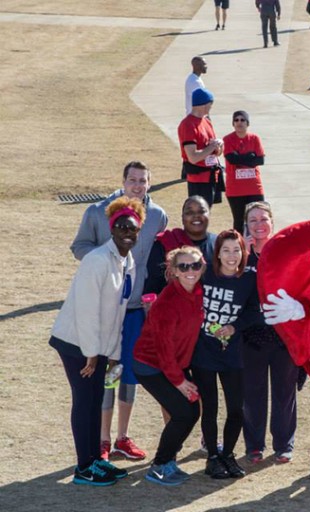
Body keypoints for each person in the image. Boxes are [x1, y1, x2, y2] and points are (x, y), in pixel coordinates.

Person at [70, 161, 167, 462]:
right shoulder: (98, 212)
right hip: (108, 309)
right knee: (107, 374)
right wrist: (105, 260)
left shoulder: (158, 216)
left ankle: (123, 437)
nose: (137, 186)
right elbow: (79, 247)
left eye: (143, 181)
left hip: (137, 309)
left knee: (128, 373)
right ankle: (103, 439)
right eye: (132, 180)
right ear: (123, 182)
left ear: (150, 183)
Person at [52, 197, 145, 486]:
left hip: (99, 346)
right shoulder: (96, 260)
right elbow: (87, 311)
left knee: (94, 401)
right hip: (77, 342)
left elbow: (117, 311)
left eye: (132, 228)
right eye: (121, 226)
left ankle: (96, 462)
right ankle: (84, 468)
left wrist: (114, 353)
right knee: (85, 401)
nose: (127, 232)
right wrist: (92, 354)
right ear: (111, 229)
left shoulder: (126, 260)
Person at [133, 246, 206, 485]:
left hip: (175, 363)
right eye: (183, 266)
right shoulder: (168, 302)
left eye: (195, 265)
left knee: (191, 412)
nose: (190, 271)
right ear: (174, 271)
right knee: (183, 413)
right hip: (150, 365)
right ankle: (159, 466)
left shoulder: (197, 292)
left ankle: (167, 461)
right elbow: (163, 351)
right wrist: (180, 381)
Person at [192, 230, 260, 479]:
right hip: (203, 351)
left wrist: (234, 326)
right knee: (209, 407)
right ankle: (212, 456)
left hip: (232, 353)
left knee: (236, 409)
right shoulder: (205, 272)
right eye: (226, 250)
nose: (232, 256)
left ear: (244, 252)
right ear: (217, 253)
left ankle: (228, 454)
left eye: (237, 250)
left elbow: (255, 311)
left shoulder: (249, 278)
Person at [241, 201, 301, 464]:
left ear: (272, 223)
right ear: (246, 225)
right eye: (252, 220)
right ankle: (254, 445)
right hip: (250, 337)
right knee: (252, 393)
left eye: (263, 219)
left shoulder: (285, 253)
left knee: (285, 392)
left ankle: (284, 443)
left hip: (283, 336)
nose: (258, 225)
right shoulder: (239, 255)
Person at [145, 196, 217, 296]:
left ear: (209, 215)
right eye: (189, 212)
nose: (196, 216)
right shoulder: (165, 244)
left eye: (201, 211)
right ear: (182, 218)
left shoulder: (219, 245)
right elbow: (152, 285)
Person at [178, 88, 223, 208]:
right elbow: (193, 157)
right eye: (210, 104)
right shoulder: (188, 124)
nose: (211, 107)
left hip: (212, 176)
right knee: (199, 213)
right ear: (203, 105)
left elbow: (213, 151)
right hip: (199, 179)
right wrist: (212, 146)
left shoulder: (206, 121)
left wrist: (218, 147)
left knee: (207, 212)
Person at [223, 110, 266, 233]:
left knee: (258, 219)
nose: (239, 122)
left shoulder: (254, 138)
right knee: (239, 222)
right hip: (235, 189)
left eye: (242, 120)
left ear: (247, 123)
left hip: (254, 188)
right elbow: (231, 159)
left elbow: (260, 160)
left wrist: (240, 158)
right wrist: (250, 156)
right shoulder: (228, 139)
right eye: (236, 120)